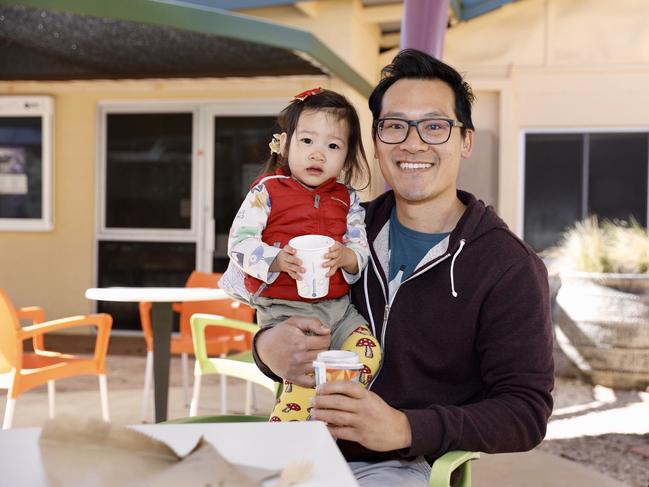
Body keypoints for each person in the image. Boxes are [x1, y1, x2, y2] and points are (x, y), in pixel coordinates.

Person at [252, 49, 554, 484]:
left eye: (434, 126)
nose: (413, 143)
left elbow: (525, 411)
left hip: (407, 465)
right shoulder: (337, 232)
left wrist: (405, 428)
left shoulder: (507, 267)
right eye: (394, 126)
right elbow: (275, 310)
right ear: (376, 143)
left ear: (465, 140)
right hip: (297, 450)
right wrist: (267, 348)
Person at [225, 88, 382, 422]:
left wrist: (345, 257)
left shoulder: (347, 199)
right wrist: (276, 259)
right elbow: (239, 242)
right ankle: (288, 433)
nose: (318, 155)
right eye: (307, 141)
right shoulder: (266, 192)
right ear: (284, 145)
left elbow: (360, 251)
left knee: (369, 355)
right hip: (286, 313)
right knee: (300, 385)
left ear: (347, 158)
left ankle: (331, 413)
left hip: (338, 311)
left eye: (333, 146)